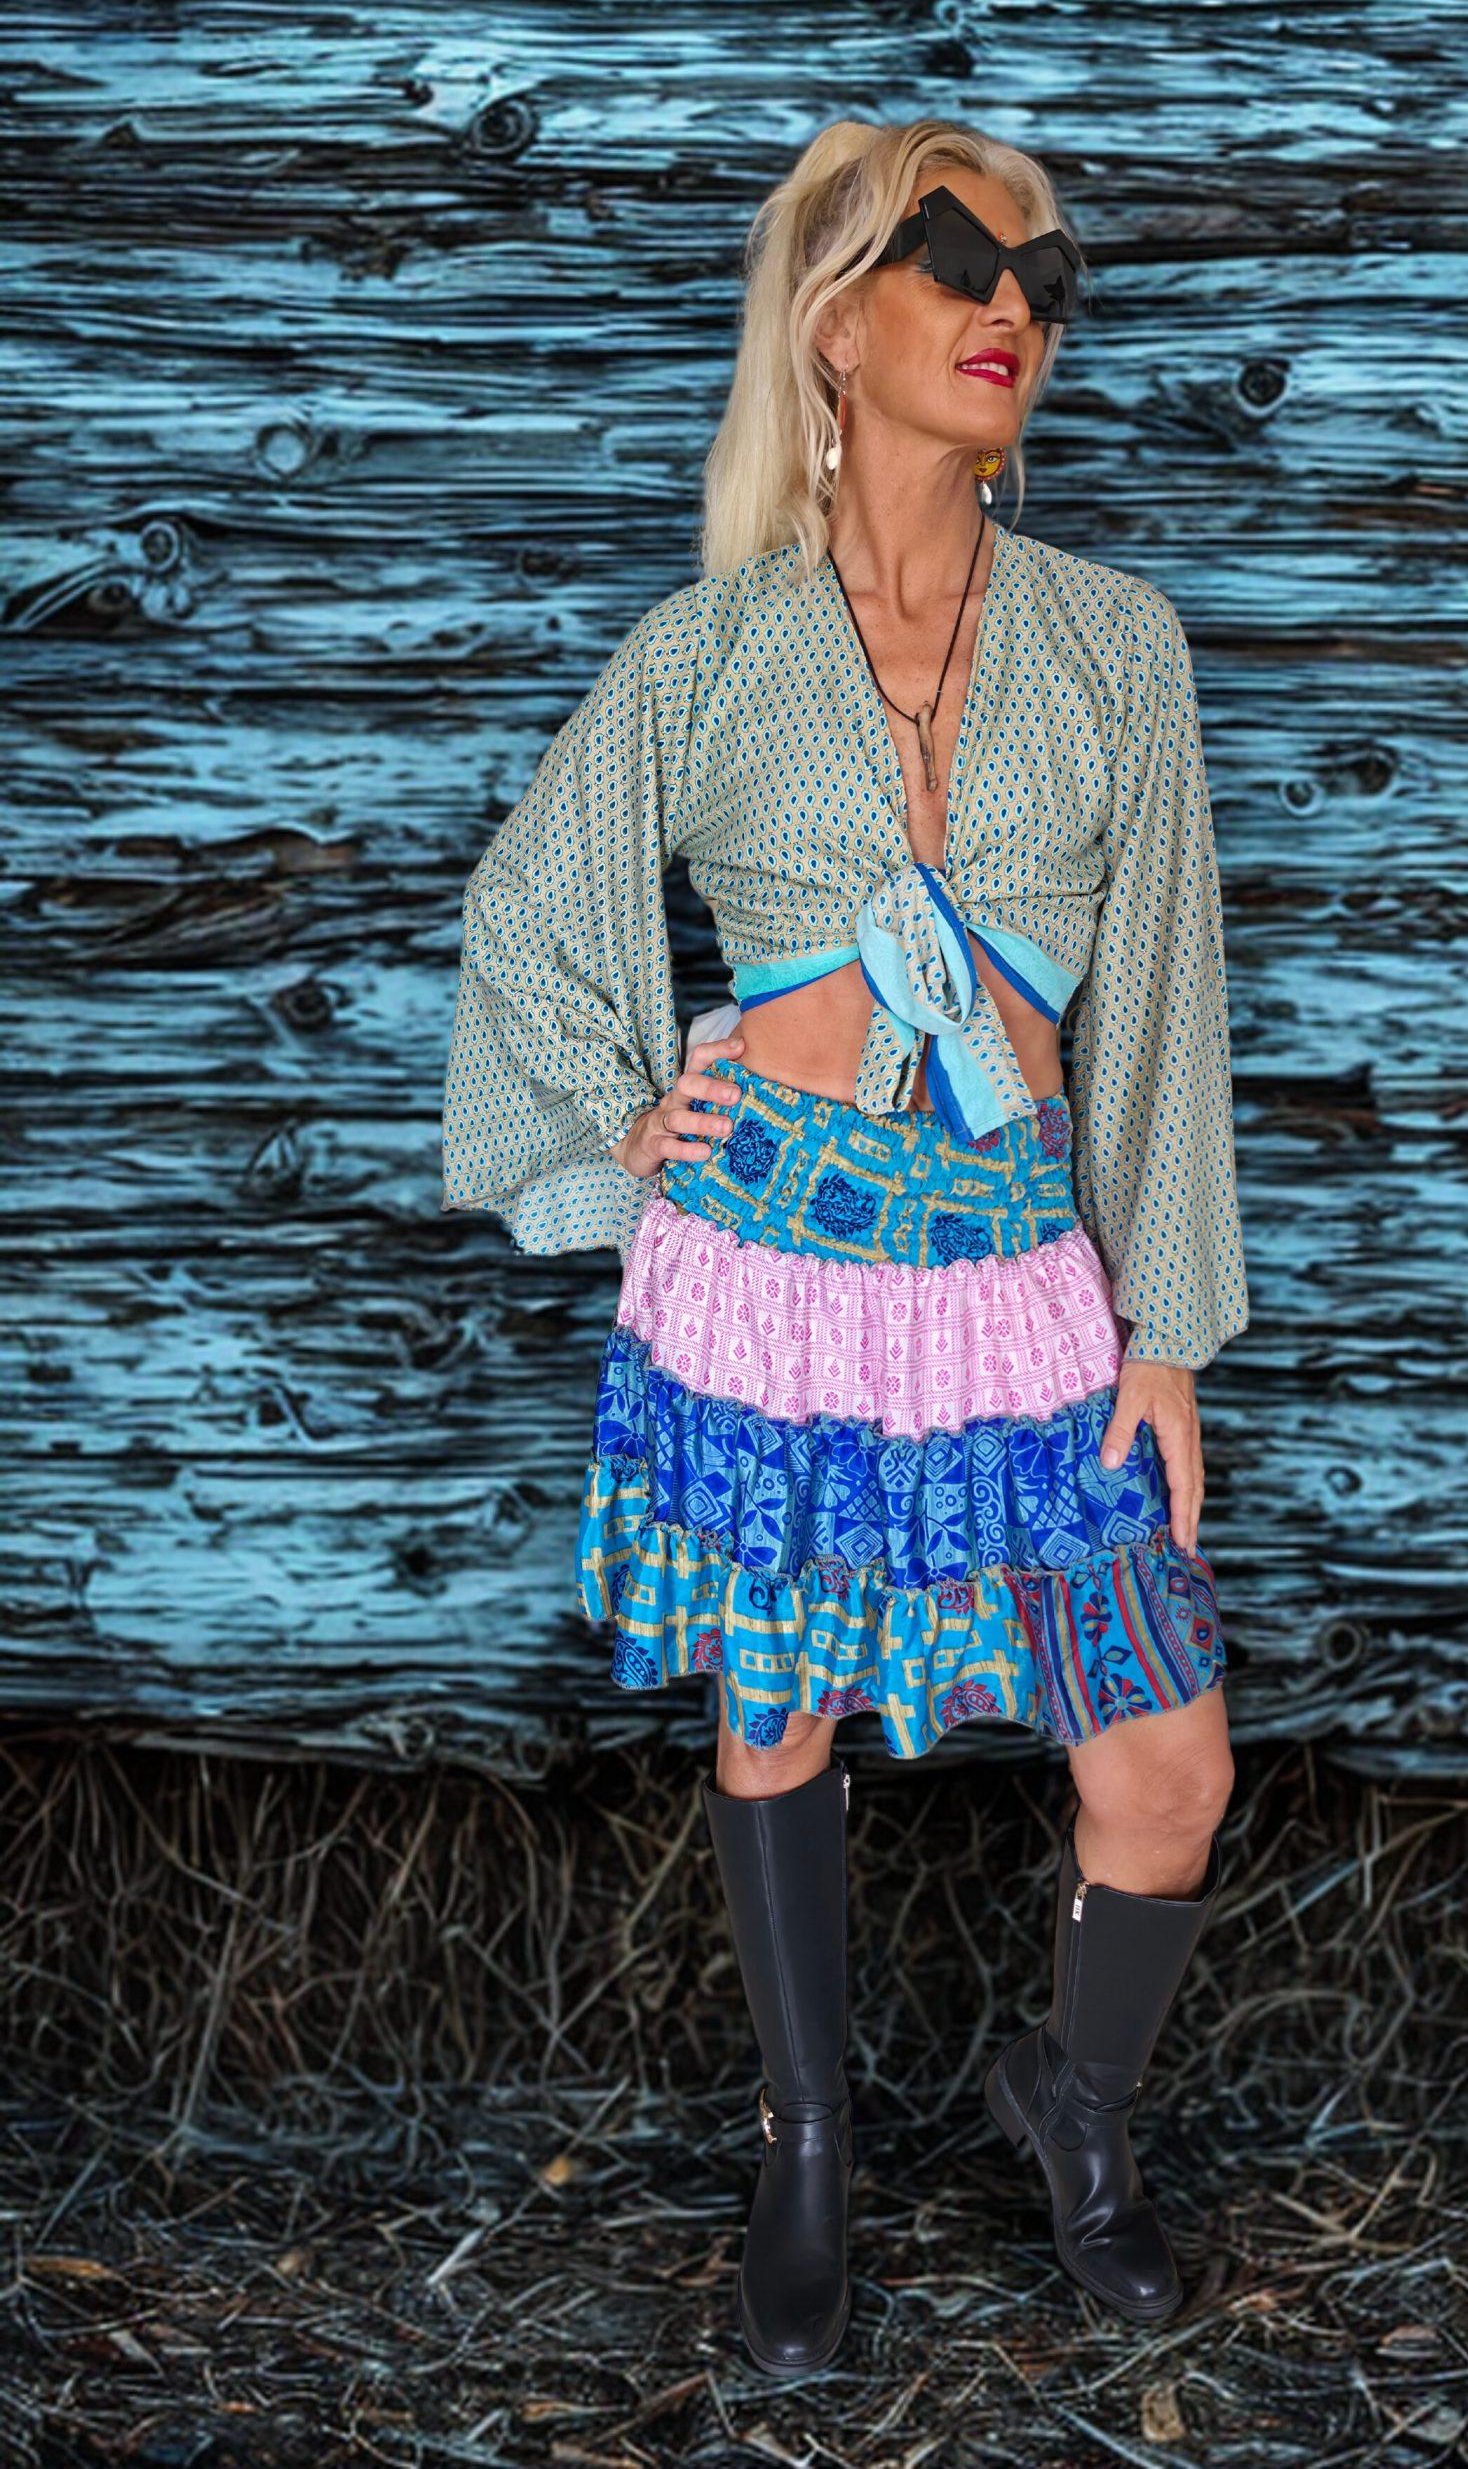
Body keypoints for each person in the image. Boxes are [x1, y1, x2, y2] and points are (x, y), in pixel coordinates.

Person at [440, 118, 1248, 2374]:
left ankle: (1073, 2102)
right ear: (831, 320)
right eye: (957, 258)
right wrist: (629, 1124)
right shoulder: (707, 655)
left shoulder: (1118, 644)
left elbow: (1161, 1002)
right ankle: (809, 2151)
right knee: (777, 1703)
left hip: (1017, 1266)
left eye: (1043, 279)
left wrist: (1164, 1335)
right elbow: (524, 914)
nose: (1012, 307)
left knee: (1163, 1761)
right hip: (771, 1262)